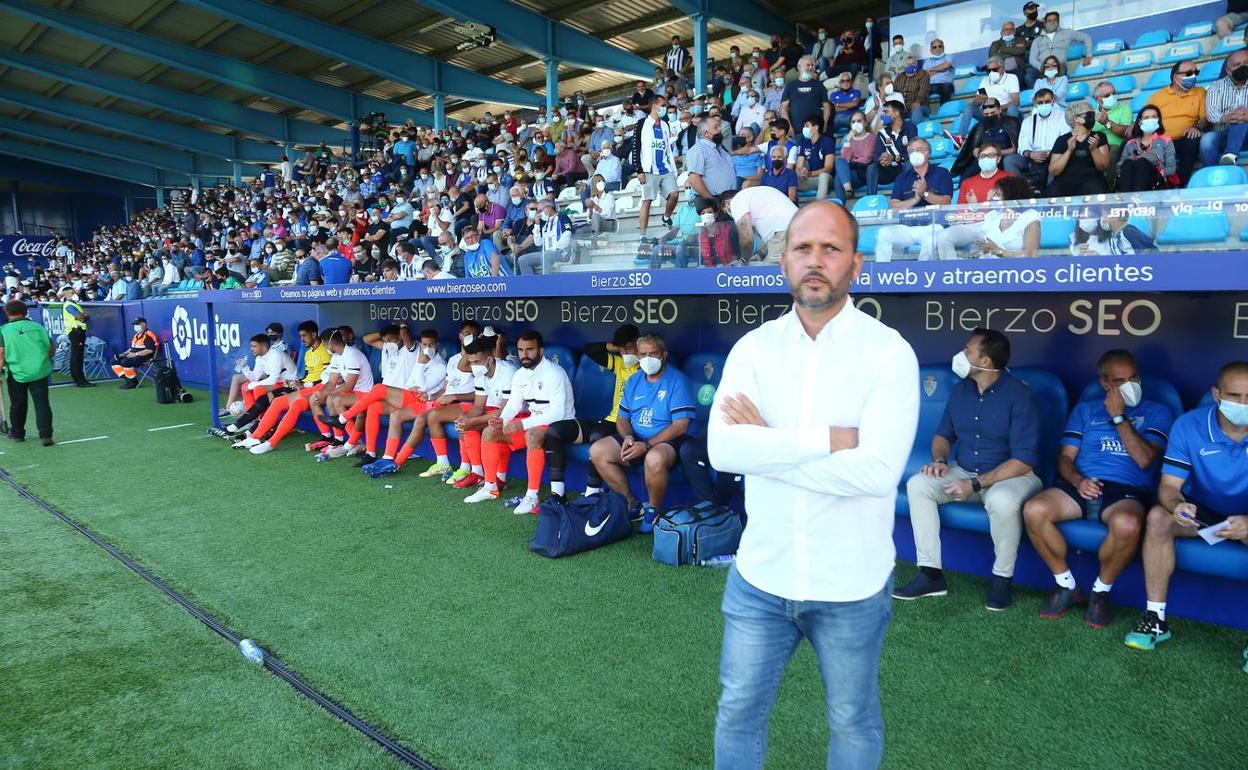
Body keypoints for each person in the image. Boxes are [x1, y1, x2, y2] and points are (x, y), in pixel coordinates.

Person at [709, 201, 920, 770]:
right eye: (803, 247)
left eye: (831, 248)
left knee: (852, 722)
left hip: (850, 586)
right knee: (737, 713)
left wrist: (767, 447)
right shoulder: (754, 349)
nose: (815, 260)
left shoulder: (888, 353)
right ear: (784, 260)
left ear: (856, 262)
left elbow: (877, 473)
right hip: (760, 578)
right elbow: (724, 450)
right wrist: (828, 439)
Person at [1023, 350, 1171, 627]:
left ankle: (1100, 591)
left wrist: (1118, 417)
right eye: (1119, 381)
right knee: (1034, 510)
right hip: (1082, 483)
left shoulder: (1157, 412)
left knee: (1127, 524)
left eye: (1133, 378)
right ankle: (1066, 584)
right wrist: (1078, 481)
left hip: (1126, 489)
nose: (1129, 385)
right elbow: (1065, 458)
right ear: (1104, 383)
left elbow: (1144, 460)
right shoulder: (1085, 410)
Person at [897, 328, 1042, 611]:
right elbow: (943, 436)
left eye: (967, 350)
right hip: (964, 471)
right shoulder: (961, 390)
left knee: (1001, 499)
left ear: (985, 361)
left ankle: (1002, 579)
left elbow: (1023, 460)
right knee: (919, 485)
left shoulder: (1019, 395)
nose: (961, 355)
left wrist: (975, 484)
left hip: (1012, 475)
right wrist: (940, 461)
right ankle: (930, 574)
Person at [1125, 361, 1248, 659]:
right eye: (1235, 396)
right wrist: (1177, 506)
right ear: (1216, 394)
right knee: (1158, 517)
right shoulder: (1189, 425)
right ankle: (1155, 619)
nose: (1243, 404)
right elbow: (1169, 487)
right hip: (1202, 513)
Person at [588, 333, 696, 530]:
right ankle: (633, 505)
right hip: (637, 438)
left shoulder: (677, 381)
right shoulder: (634, 380)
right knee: (597, 451)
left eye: (653, 354)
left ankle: (653, 511)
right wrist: (628, 437)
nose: (648, 359)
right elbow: (622, 418)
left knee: (654, 458)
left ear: (664, 355)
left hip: (667, 441)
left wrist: (646, 445)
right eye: (643, 354)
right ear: (638, 356)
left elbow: (680, 426)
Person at [536, 324, 640, 505]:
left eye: (629, 348)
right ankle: (558, 494)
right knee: (554, 431)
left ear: (639, 344)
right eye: (622, 350)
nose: (625, 354)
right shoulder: (620, 363)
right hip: (609, 421)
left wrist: (635, 350)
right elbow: (589, 349)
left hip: (626, 425)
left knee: (597, 436)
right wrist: (617, 347)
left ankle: (592, 494)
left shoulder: (646, 370)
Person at [480, 331, 576, 515]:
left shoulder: (554, 373)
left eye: (529, 349)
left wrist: (522, 425)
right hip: (535, 422)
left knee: (531, 435)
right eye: (521, 350)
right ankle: (490, 486)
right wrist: (503, 420)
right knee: (489, 432)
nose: (524, 354)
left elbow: (558, 413)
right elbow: (514, 404)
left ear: (541, 351)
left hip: (560, 424)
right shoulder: (520, 375)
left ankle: (532, 496)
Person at [454, 334, 521, 496]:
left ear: (490, 359)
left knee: (488, 428)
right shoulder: (480, 374)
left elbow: (505, 411)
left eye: (476, 362)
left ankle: (499, 479)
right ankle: (477, 473)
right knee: (467, 423)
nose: (473, 366)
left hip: (517, 415)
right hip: (496, 412)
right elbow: (478, 406)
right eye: (471, 362)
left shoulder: (507, 371)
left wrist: (473, 421)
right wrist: (465, 417)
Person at [875, 138, 953, 262]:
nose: (915, 153)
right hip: (907, 228)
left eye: (919, 149)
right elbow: (894, 205)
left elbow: (946, 202)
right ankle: (881, 271)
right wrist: (915, 199)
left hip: (932, 226)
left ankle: (922, 271)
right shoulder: (902, 177)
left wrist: (925, 194)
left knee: (933, 237)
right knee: (884, 233)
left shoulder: (942, 173)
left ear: (928, 153)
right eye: (911, 151)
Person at [935, 176, 1040, 259]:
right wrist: (979, 253)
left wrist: (998, 251)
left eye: (998, 194)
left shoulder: (1029, 216)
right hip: (985, 270)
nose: (994, 197)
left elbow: (1030, 256)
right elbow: (981, 245)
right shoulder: (993, 215)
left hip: (1014, 272)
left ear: (1011, 196)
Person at [0, 299, 55, 446]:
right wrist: (44, 360)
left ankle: (17, 434)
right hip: (39, 370)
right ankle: (46, 435)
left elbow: (1, 353)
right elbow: (51, 347)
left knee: (18, 403)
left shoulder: (3, 330)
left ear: (7, 313)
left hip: (17, 372)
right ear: (25, 312)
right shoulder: (37, 327)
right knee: (42, 403)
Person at [1149, 61, 1207, 185]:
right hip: (1161, 140)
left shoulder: (1200, 93)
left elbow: (1205, 118)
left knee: (1192, 139)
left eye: (1196, 72)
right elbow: (1146, 117)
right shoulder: (1158, 96)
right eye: (1189, 73)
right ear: (1176, 77)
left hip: (1184, 139)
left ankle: (1180, 183)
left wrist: (1196, 128)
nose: (1194, 76)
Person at [630, 95, 679, 232]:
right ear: (654, 105)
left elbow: (668, 148)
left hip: (665, 168)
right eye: (662, 105)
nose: (665, 108)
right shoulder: (642, 123)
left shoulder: (665, 125)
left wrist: (674, 169)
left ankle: (666, 217)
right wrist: (639, 170)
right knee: (647, 201)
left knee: (674, 194)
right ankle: (643, 235)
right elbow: (636, 147)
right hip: (649, 169)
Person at [1008, 88, 1069, 191]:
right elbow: (1022, 144)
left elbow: (1065, 139)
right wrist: (1030, 154)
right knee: (1010, 160)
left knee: (1057, 163)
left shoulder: (1062, 117)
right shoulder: (1028, 121)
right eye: (1040, 102)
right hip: (1032, 157)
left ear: (1053, 101)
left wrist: (1052, 153)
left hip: (1054, 155)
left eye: (1047, 101)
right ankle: (1021, 190)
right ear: (1035, 104)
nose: (1044, 104)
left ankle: (1050, 193)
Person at [949, 98, 1020, 181]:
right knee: (967, 174)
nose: (990, 116)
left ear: (999, 110)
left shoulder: (1010, 123)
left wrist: (996, 153)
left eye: (992, 113)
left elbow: (1015, 149)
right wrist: (976, 152)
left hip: (1002, 157)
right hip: (984, 158)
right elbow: (973, 148)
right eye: (987, 114)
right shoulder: (979, 127)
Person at [1199, 49, 1248, 167]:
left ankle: (1230, 154)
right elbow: (1211, 113)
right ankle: (1215, 174)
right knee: (1206, 141)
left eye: (1246, 63)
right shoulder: (1216, 86)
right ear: (1228, 70)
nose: (1243, 67)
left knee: (1241, 118)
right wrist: (1226, 117)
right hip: (1224, 134)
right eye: (1237, 65)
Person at [1046, 106, 1110, 196]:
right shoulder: (1062, 140)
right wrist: (1069, 151)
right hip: (1065, 181)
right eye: (1089, 115)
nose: (1092, 117)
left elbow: (1104, 166)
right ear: (1076, 118)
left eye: (1093, 114)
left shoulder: (1099, 137)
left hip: (1092, 180)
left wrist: (1094, 149)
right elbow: (1053, 171)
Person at [725, 186, 797, 263]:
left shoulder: (736, 201)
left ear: (727, 203)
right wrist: (760, 254)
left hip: (786, 231)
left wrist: (744, 259)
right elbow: (774, 237)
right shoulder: (754, 196)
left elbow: (747, 238)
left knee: (771, 268)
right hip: (799, 226)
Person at [1117, 106, 1177, 192]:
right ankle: (1127, 197)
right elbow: (1119, 166)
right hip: (1131, 179)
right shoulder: (1131, 143)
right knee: (1127, 164)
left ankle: (1137, 196)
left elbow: (1171, 168)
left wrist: (1161, 172)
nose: (1150, 120)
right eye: (1146, 118)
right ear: (1140, 122)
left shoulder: (1166, 140)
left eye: (1154, 117)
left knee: (1142, 163)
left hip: (1156, 180)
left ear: (1158, 120)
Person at [1026, 12, 1092, 89]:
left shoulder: (1067, 33)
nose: (1052, 22)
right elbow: (1032, 59)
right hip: (1042, 67)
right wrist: (1041, 67)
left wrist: (1088, 56)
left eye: (1054, 20)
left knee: (1061, 72)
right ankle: (1039, 94)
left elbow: (1086, 38)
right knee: (1029, 76)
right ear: (1045, 22)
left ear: (1058, 22)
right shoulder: (1037, 40)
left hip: (1059, 65)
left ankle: (1055, 94)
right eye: (1049, 20)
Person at [957, 56, 1020, 137]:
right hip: (989, 112)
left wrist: (998, 108)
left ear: (1001, 68)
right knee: (969, 107)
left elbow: (1016, 101)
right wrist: (978, 100)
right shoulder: (985, 80)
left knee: (1012, 107)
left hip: (1005, 112)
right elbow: (975, 104)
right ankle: (960, 137)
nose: (991, 73)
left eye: (994, 70)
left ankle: (1012, 136)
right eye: (988, 71)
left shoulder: (1012, 78)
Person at [685, 115, 738, 199]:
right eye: (716, 127)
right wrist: (712, 200)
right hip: (712, 200)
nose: (720, 129)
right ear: (706, 133)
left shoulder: (720, 148)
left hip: (729, 198)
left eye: (719, 126)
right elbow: (694, 179)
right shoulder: (698, 150)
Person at [516, 201, 572, 275]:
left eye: (540, 211)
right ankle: (529, 282)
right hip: (546, 254)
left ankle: (546, 281)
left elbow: (567, 235)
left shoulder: (562, 218)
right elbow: (538, 243)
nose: (539, 214)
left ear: (548, 208)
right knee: (522, 260)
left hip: (561, 252)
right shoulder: (546, 224)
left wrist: (552, 249)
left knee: (545, 255)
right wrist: (537, 225)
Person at [834, 112, 879, 203]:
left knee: (839, 177)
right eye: (853, 122)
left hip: (866, 172)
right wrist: (847, 141)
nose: (856, 124)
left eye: (859, 121)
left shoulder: (873, 137)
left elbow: (866, 158)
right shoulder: (850, 139)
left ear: (865, 123)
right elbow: (845, 160)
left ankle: (848, 192)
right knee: (839, 163)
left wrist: (853, 160)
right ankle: (846, 192)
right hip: (854, 173)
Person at [1070, 212, 1158, 255]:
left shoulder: (1129, 232)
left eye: (1105, 215)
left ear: (1117, 215)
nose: (1102, 219)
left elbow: (1152, 254)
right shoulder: (1113, 237)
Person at [111, 316, 159, 389]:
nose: (135, 326)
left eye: (137, 324)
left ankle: (133, 382)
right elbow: (132, 348)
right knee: (114, 361)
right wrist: (123, 354)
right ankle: (128, 379)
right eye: (135, 324)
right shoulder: (136, 335)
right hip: (133, 355)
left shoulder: (148, 335)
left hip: (144, 356)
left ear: (144, 324)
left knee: (126, 362)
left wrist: (135, 354)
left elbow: (149, 350)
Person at [796, 116, 836, 201]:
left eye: (807, 126)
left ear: (815, 128)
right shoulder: (803, 143)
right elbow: (798, 167)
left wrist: (811, 173)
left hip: (827, 179)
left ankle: (818, 204)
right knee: (791, 179)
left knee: (823, 176)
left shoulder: (827, 141)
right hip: (810, 179)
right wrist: (801, 173)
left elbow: (828, 168)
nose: (804, 128)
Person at [694, 196, 741, 267]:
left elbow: (738, 254)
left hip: (728, 268)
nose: (706, 215)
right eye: (703, 213)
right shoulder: (701, 235)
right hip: (709, 269)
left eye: (709, 212)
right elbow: (701, 260)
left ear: (715, 214)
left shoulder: (728, 230)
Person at [60, 286, 92, 387]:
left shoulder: (74, 304)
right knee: (77, 356)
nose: (74, 294)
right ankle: (80, 380)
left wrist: (84, 317)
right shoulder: (69, 305)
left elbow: (83, 317)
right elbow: (81, 317)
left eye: (74, 292)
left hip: (78, 331)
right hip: (76, 331)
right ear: (66, 295)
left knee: (78, 355)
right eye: (71, 293)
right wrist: (84, 316)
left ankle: (79, 379)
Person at [892, 55, 931, 125]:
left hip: (920, 105)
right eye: (908, 64)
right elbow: (895, 91)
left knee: (916, 109)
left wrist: (917, 101)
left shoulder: (923, 73)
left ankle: (916, 131)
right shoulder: (900, 76)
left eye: (913, 63)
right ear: (904, 66)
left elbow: (924, 90)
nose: (910, 65)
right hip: (903, 107)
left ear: (917, 64)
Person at [923, 39, 955, 105]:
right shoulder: (927, 62)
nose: (937, 49)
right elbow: (925, 75)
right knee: (922, 92)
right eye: (934, 47)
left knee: (945, 88)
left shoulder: (948, 56)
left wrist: (931, 69)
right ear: (931, 50)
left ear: (943, 48)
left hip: (946, 84)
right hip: (932, 86)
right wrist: (941, 69)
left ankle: (944, 109)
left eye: (940, 46)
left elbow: (945, 66)